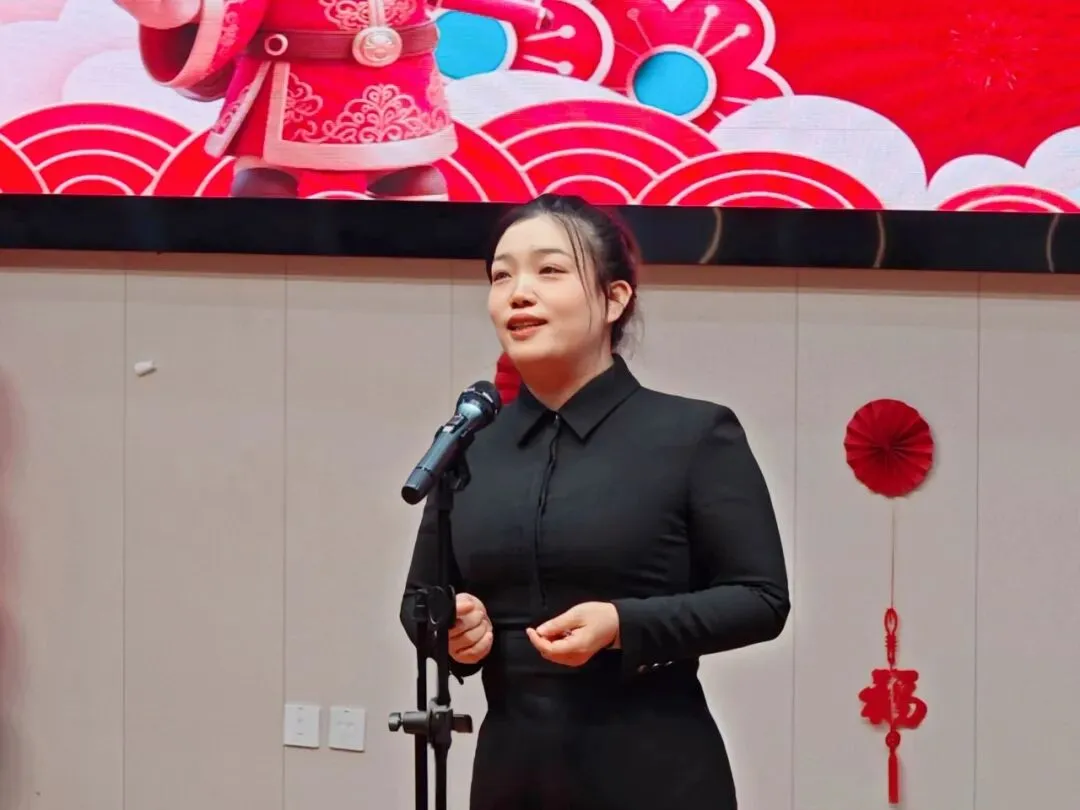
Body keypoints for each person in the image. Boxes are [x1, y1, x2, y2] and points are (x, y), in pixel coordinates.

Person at [400, 194, 789, 810]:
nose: (518, 293)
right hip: (511, 776)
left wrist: (622, 625)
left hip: (655, 773)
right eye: (501, 276)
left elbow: (761, 599)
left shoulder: (693, 434)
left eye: (549, 271)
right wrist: (452, 631)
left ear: (615, 299)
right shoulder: (472, 445)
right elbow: (419, 602)